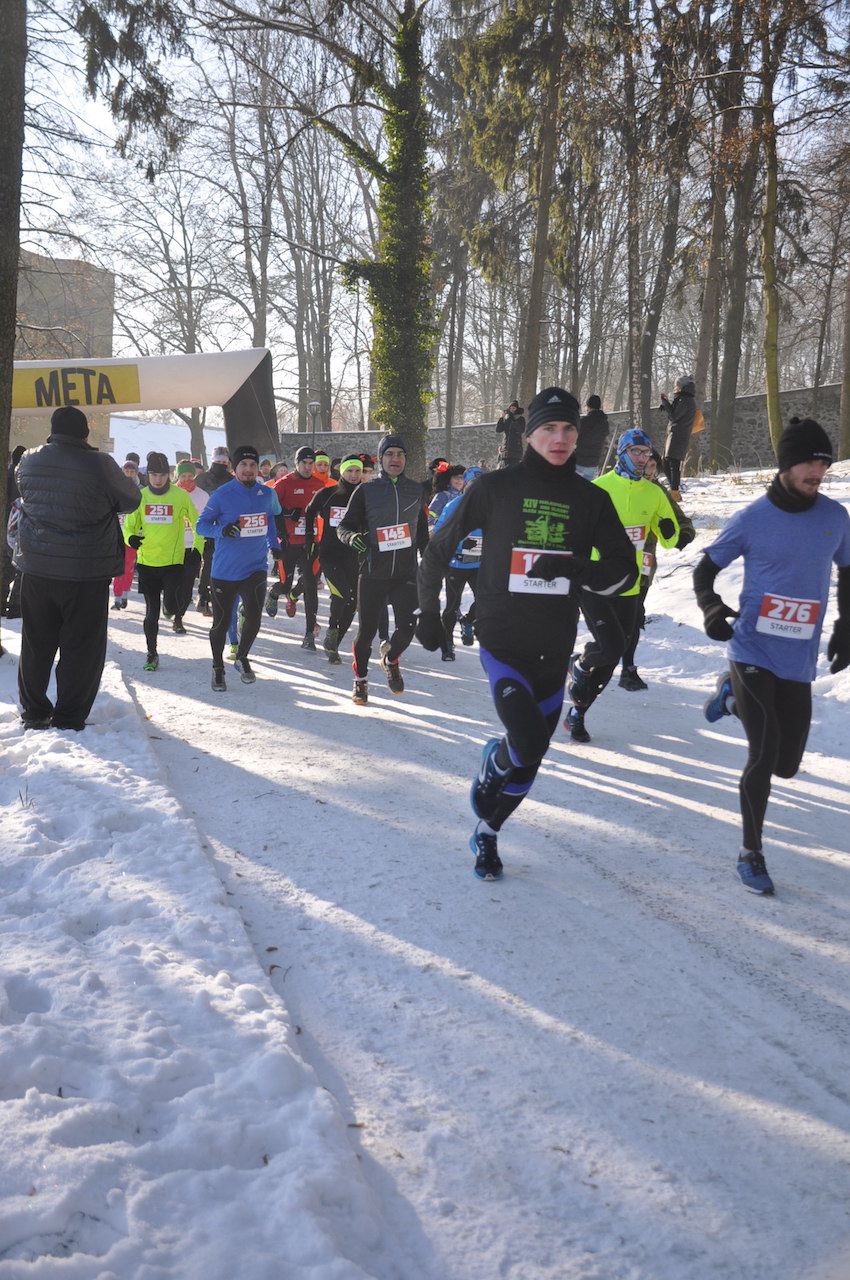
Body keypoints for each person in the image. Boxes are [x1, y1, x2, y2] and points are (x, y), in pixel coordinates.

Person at [418, 387, 637, 880]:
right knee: (527, 741)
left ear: (578, 435)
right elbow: (439, 547)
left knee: (532, 755)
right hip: (503, 636)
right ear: (530, 435)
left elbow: (624, 572)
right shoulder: (495, 488)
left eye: (568, 429)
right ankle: (495, 760)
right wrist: (428, 611)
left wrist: (577, 568)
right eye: (548, 429)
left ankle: (488, 831)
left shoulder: (591, 499)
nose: (559, 438)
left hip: (554, 641)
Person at [694, 415, 850, 895]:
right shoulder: (752, 518)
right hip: (752, 648)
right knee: (762, 755)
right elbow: (704, 571)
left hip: (797, 657)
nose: (818, 471)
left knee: (786, 765)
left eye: (824, 463)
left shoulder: (835, 518)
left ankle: (731, 698)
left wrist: (846, 624)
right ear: (786, 464)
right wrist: (712, 607)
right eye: (809, 462)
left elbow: (849, 572)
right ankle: (751, 853)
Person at [13, 406, 141, 730]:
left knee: (36, 642)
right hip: (86, 570)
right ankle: (69, 716)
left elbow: (24, 493)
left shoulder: (28, 459)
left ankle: (34, 711)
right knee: (82, 646)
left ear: (52, 431)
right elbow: (131, 500)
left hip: (37, 566)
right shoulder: (99, 463)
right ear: (84, 433)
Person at [564, 428, 680, 742]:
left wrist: (670, 529)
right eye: (636, 452)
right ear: (622, 453)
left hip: (629, 584)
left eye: (646, 453)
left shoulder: (654, 493)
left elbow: (669, 540)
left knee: (613, 655)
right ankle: (582, 663)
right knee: (610, 646)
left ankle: (578, 714)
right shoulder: (598, 489)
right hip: (594, 583)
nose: (642, 459)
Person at [337, 432, 429, 704]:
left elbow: (421, 532)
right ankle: (360, 680)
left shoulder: (416, 490)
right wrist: (352, 538)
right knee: (366, 633)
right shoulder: (367, 490)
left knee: (408, 628)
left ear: (406, 459)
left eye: (400, 454)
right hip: (373, 571)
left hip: (405, 572)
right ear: (381, 459)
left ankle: (390, 658)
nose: (395, 459)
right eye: (389, 454)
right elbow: (344, 526)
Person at [196, 444, 282, 691]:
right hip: (225, 570)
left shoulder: (267, 494)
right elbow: (201, 526)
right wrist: (221, 530)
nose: (248, 469)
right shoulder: (222, 494)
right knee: (221, 623)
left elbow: (270, 520)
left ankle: (242, 657)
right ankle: (217, 667)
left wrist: (275, 545)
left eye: (252, 465)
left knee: (254, 615)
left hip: (255, 567)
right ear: (234, 468)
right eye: (243, 465)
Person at [122, 451, 200, 671]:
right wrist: (131, 538)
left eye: (162, 475)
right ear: (148, 475)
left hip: (173, 562)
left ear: (169, 475)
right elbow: (128, 527)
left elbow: (197, 524)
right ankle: (151, 653)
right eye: (154, 475)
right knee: (151, 612)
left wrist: (198, 549)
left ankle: (171, 608)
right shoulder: (141, 497)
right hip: (148, 562)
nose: (158, 479)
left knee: (172, 606)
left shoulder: (180, 496)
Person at [304, 454, 364, 664]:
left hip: (354, 556)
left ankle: (334, 643)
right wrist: (310, 538)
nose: (354, 475)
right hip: (330, 554)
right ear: (341, 471)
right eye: (350, 471)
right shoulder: (328, 493)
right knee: (340, 594)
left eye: (357, 471)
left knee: (353, 603)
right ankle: (331, 628)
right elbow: (309, 511)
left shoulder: (365, 495)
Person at [267, 444, 325, 647]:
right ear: (297, 463)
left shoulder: (319, 484)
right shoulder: (284, 483)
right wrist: (286, 513)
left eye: (311, 463)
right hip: (289, 543)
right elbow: (269, 509)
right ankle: (275, 593)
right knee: (284, 584)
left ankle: (309, 634)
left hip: (311, 543)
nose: (308, 467)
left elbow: (326, 511)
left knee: (311, 586)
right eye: (304, 463)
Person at [431, 465, 484, 658]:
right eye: (472, 483)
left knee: (485, 600)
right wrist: (460, 541)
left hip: (479, 564)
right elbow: (439, 534)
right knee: (452, 606)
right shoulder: (453, 506)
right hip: (456, 564)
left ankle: (468, 620)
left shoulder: (492, 506)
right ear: (466, 486)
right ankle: (447, 644)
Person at [195, 447, 232, 615]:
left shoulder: (232, 480)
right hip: (208, 525)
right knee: (209, 561)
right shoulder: (202, 479)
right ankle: (203, 596)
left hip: (227, 527)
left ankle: (221, 595)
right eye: (218, 461)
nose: (221, 465)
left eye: (224, 462)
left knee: (225, 563)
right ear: (212, 461)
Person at [174, 460, 209, 626]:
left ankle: (178, 617)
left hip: (193, 545)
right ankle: (172, 606)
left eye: (190, 476)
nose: (187, 479)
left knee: (187, 584)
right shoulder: (171, 493)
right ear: (177, 476)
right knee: (174, 583)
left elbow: (207, 518)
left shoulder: (202, 496)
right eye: (183, 476)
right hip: (173, 545)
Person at [658, 375, 697, 498]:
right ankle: (673, 489)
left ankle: (674, 491)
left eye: (676, 386)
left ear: (681, 387)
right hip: (675, 433)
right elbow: (675, 413)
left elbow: (674, 416)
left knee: (673, 462)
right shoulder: (683, 399)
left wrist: (665, 402)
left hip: (678, 434)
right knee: (666, 461)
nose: (675, 388)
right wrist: (666, 405)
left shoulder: (685, 400)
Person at [574, 395, 610, 479]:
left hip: (579, 461)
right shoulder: (605, 423)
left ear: (588, 407)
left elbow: (573, 437)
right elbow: (605, 440)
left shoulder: (584, 421)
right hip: (594, 462)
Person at [496, 401, 525, 468]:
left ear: (517, 409)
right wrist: (501, 418)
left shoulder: (520, 419)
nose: (512, 410)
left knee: (513, 469)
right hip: (506, 449)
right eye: (511, 408)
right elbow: (498, 430)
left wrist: (513, 420)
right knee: (505, 469)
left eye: (514, 408)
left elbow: (521, 430)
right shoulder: (506, 419)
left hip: (516, 450)